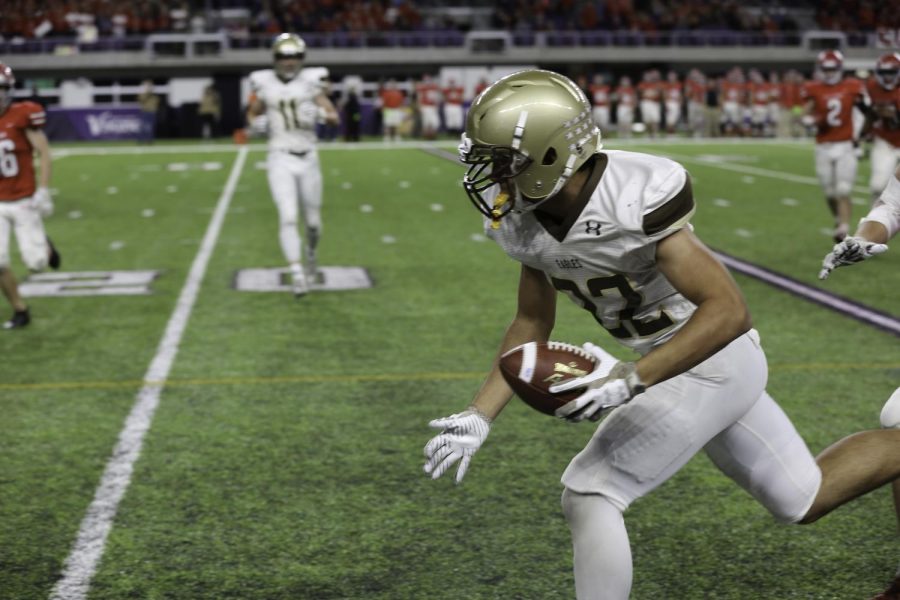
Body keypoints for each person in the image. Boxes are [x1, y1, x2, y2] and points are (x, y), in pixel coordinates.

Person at [421, 69, 900, 600]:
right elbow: (532, 321)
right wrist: (478, 414)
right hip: (668, 361)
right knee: (802, 498)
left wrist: (631, 379)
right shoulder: (526, 220)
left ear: (551, 156)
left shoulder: (634, 193)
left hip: (712, 360)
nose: (495, 178)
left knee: (591, 492)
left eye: (505, 163)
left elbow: (728, 310)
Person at [246, 33, 340, 297]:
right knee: (288, 217)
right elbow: (253, 112)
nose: (289, 62)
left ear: (302, 58)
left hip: (308, 156)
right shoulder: (263, 82)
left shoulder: (312, 82)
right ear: (275, 58)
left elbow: (334, 117)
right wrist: (254, 124)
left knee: (312, 223)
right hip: (279, 155)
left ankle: (310, 253)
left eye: (294, 56)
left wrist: (322, 114)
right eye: (284, 57)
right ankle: (297, 273)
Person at [0, 62, 61, 329]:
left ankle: (44, 245)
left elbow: (44, 152)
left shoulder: (23, 115)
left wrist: (44, 189)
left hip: (24, 198)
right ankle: (20, 308)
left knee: (36, 264)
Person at [802, 50, 870, 242]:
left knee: (843, 189)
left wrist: (862, 134)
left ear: (840, 69)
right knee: (829, 192)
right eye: (826, 69)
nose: (829, 73)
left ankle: (843, 228)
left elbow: (865, 110)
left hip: (846, 144)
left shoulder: (852, 86)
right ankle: (838, 218)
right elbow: (804, 112)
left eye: (833, 69)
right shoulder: (813, 88)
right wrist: (807, 119)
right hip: (823, 145)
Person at [865, 52, 900, 205]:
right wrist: (863, 135)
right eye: (884, 73)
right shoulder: (872, 86)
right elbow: (870, 114)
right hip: (886, 139)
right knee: (877, 186)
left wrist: (891, 114)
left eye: (891, 72)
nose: (887, 77)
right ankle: (874, 222)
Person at [415, 74, 441, 140]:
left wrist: (437, 105)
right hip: (425, 106)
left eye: (428, 80)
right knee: (426, 123)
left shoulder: (434, 87)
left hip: (433, 107)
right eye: (426, 80)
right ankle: (426, 136)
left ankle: (433, 136)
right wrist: (419, 106)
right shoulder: (422, 87)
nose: (427, 81)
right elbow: (419, 97)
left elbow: (437, 97)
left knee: (435, 122)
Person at [637, 69, 661, 137]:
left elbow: (657, 94)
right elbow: (641, 94)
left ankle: (655, 133)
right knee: (647, 120)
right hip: (645, 103)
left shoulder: (655, 84)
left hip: (654, 103)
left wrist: (650, 94)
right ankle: (648, 133)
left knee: (655, 119)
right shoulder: (642, 84)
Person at [137, 79, 159, 144]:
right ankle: (141, 140)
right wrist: (147, 92)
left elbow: (156, 103)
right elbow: (141, 100)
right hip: (145, 112)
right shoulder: (143, 94)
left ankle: (149, 140)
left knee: (150, 127)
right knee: (143, 127)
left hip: (152, 112)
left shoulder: (154, 95)